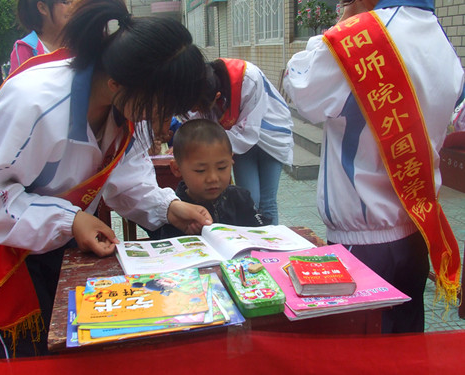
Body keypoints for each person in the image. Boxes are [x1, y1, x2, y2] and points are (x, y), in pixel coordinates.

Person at [0, 0, 211, 359]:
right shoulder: (35, 103)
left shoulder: (123, 104)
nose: (164, 122)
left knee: (65, 346)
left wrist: (169, 207)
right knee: (23, 358)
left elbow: (125, 178)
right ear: (117, 84)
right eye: (163, 107)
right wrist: (70, 218)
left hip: (48, 236)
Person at [283, 0, 464, 333]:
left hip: (362, 241)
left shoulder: (360, 36)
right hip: (416, 228)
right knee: (405, 348)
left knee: (361, 353)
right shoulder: (440, 37)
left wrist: (337, 28)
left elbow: (299, 89)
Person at [195, 58, 294, 225]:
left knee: (268, 202)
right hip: (239, 142)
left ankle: (273, 248)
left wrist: (215, 147)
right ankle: (251, 246)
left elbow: (250, 130)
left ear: (216, 96)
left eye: (199, 107)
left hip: (271, 136)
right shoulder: (205, 86)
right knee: (250, 200)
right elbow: (197, 123)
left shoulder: (249, 78)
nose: (195, 110)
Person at [156, 119, 268, 239]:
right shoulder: (174, 209)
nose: (213, 178)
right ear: (176, 169)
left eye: (221, 167)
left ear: (231, 160)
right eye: (201, 170)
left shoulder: (241, 198)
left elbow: (260, 234)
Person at [9, 0, 74, 74]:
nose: (72, 7)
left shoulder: (78, 42)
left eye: (73, 2)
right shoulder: (26, 49)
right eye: (66, 2)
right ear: (43, 8)